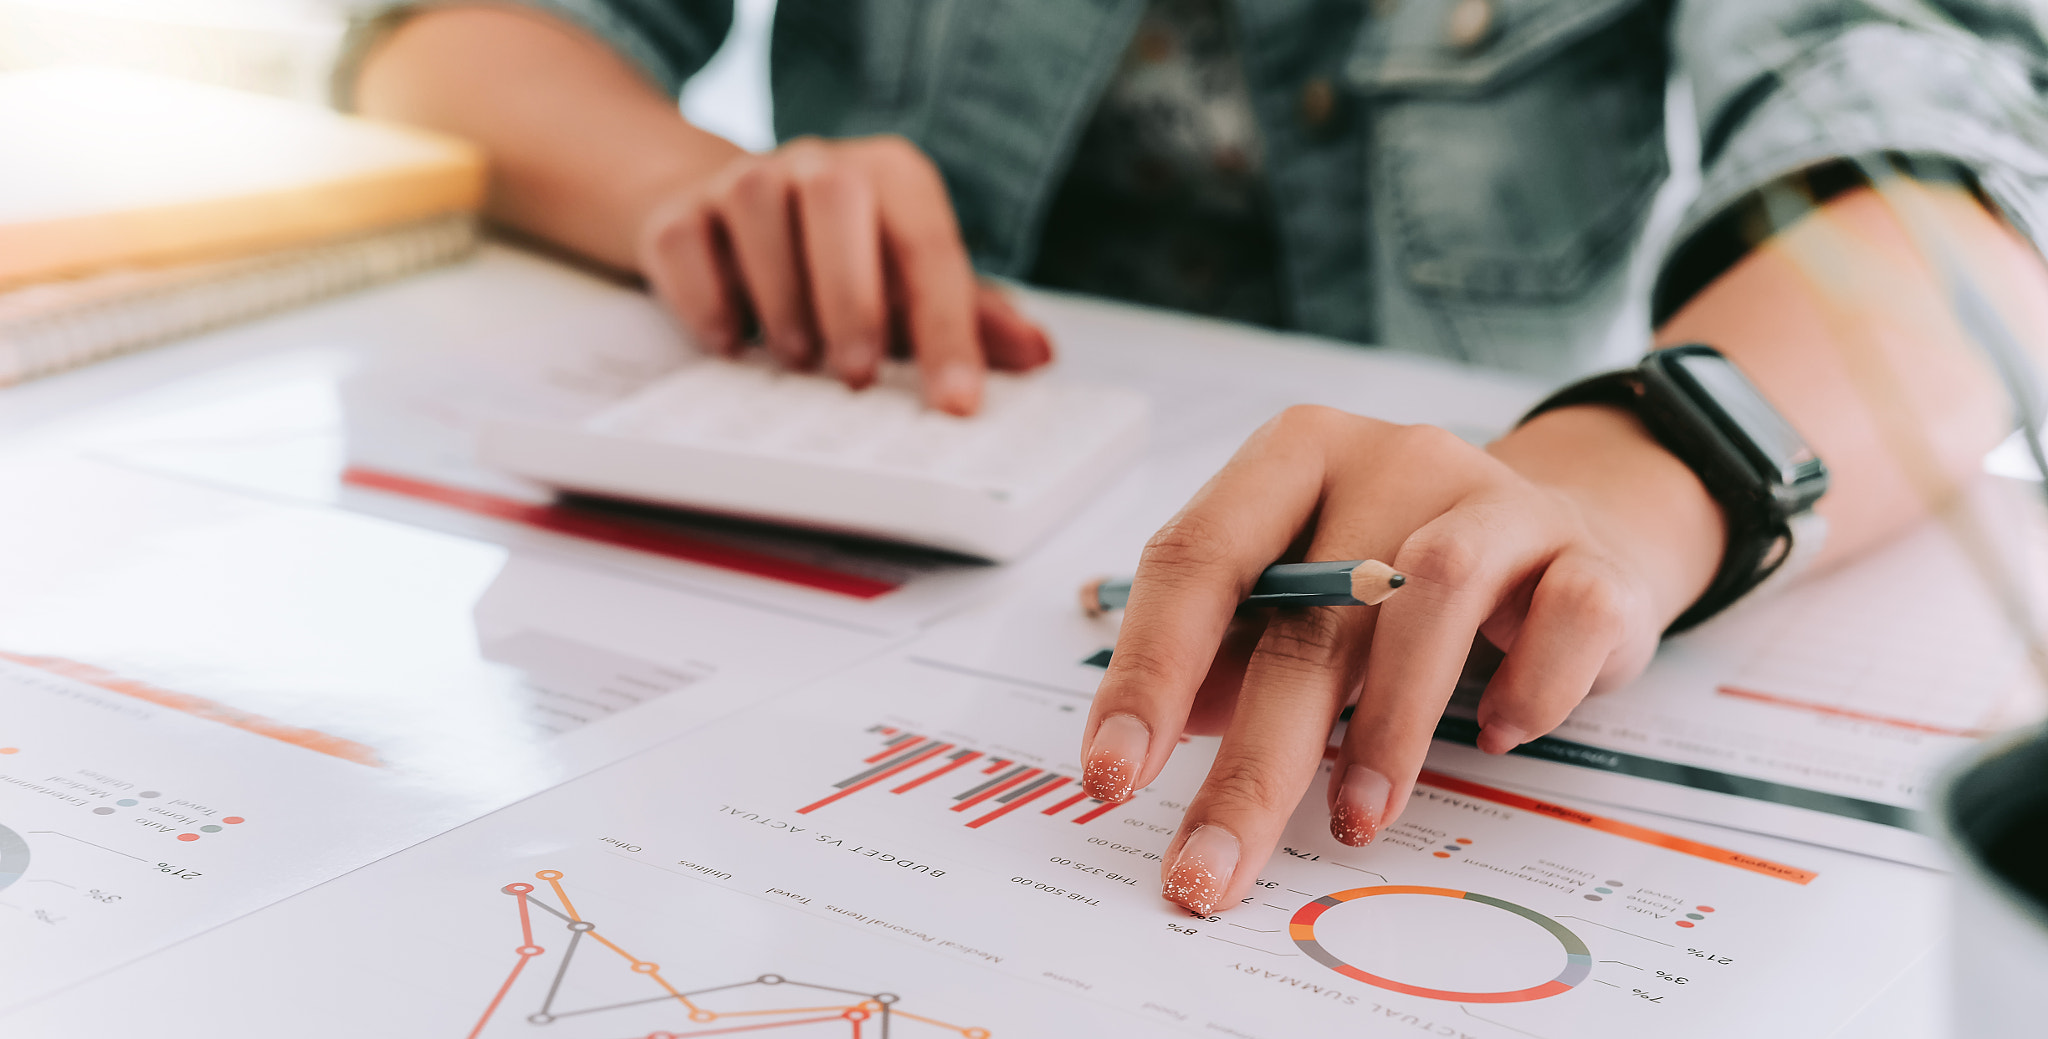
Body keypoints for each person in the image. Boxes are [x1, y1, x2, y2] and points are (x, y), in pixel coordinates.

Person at [352, 0, 2048, 914]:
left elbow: (1951, 170)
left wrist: (1625, 476)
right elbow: (440, 37)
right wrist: (685, 195)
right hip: (872, 520)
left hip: (1471, 545)